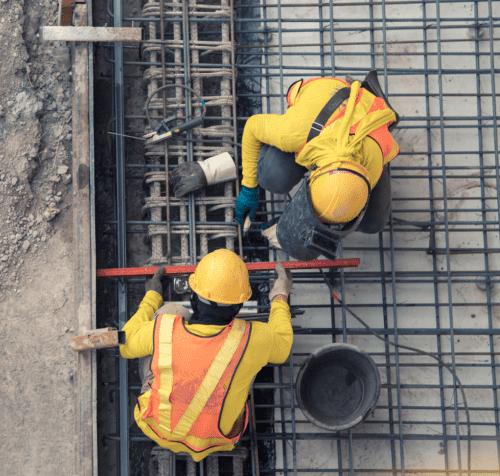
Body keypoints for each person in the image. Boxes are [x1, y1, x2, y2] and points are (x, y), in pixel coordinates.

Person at [119, 249, 294, 461]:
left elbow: (125, 344)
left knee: (171, 312)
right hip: (218, 439)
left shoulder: (164, 329)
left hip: (158, 428)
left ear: (194, 298)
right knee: (247, 358)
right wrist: (280, 295)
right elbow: (283, 346)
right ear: (238, 306)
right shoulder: (254, 337)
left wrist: (152, 296)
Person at [234, 73, 400, 259]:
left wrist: (293, 229)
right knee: (270, 177)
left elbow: (338, 206)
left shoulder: (374, 165)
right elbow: (251, 128)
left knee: (373, 223)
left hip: (369, 127)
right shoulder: (294, 132)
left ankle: (374, 100)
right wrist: (249, 187)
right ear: (313, 175)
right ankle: (364, 90)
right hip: (325, 100)